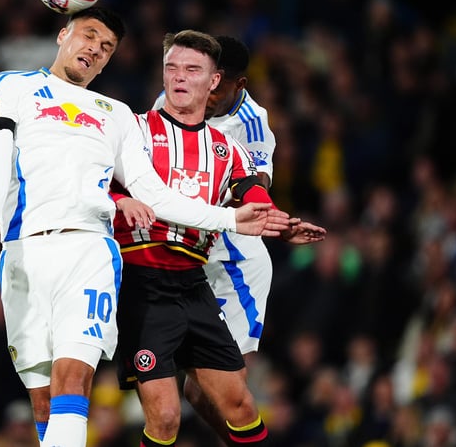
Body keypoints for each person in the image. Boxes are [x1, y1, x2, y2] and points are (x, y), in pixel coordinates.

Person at [0, 7, 292, 447]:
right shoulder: (9, 86)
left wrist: (234, 217)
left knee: (77, 380)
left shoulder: (114, 113)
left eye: (106, 48)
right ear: (63, 34)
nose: (94, 50)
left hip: (93, 253)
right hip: (23, 251)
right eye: (88, 37)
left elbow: (158, 195)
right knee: (43, 401)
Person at [113, 30, 326, 447]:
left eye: (193, 71)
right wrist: (121, 199)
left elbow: (253, 187)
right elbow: (115, 176)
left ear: (219, 80)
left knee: (224, 398)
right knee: (167, 416)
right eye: (172, 69)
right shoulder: (140, 123)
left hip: (224, 264)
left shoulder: (240, 136)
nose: (181, 80)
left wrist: (277, 223)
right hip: (150, 274)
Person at [153, 35, 282, 442]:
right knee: (190, 395)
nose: (204, 93)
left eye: (217, 86)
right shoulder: (172, 98)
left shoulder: (252, 126)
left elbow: (254, 188)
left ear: (236, 84)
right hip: (184, 260)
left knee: (214, 392)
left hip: (233, 264)